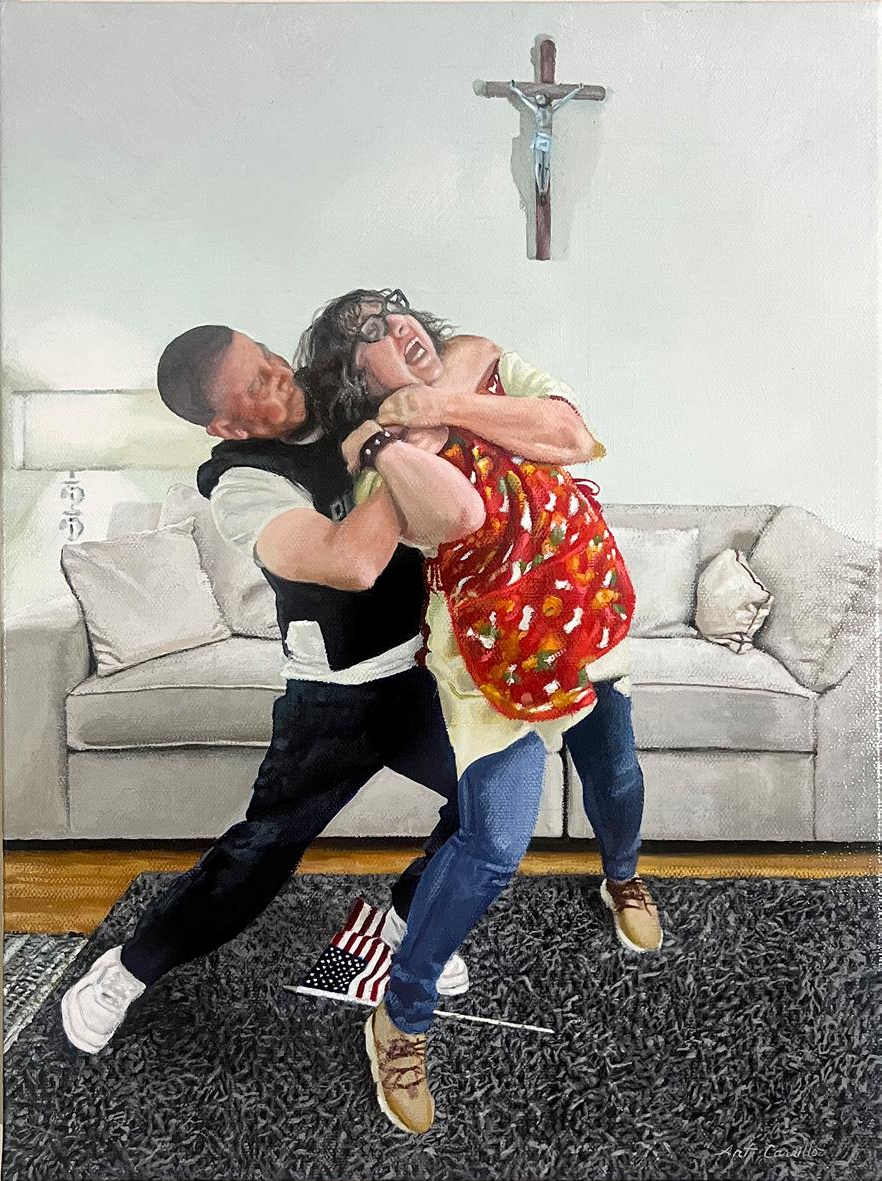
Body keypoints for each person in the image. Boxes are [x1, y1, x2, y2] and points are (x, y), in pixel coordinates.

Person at [297, 288, 663, 1134]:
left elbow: (568, 436)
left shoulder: (491, 368)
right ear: (355, 378)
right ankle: (401, 1014)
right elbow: (455, 512)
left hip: (580, 612)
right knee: (493, 847)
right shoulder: (379, 464)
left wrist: (437, 406)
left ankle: (622, 876)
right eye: (370, 334)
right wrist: (390, 437)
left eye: (395, 311)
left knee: (614, 775)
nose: (398, 327)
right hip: (489, 660)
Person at [60, 324, 484, 1055]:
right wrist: (398, 449)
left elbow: (474, 348)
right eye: (256, 384)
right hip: (335, 697)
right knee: (258, 857)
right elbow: (352, 563)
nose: (282, 376)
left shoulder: (338, 382)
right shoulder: (241, 485)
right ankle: (126, 972)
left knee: (489, 800)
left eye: (269, 358)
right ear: (227, 426)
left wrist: (422, 409)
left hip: (421, 671)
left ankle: (406, 919)